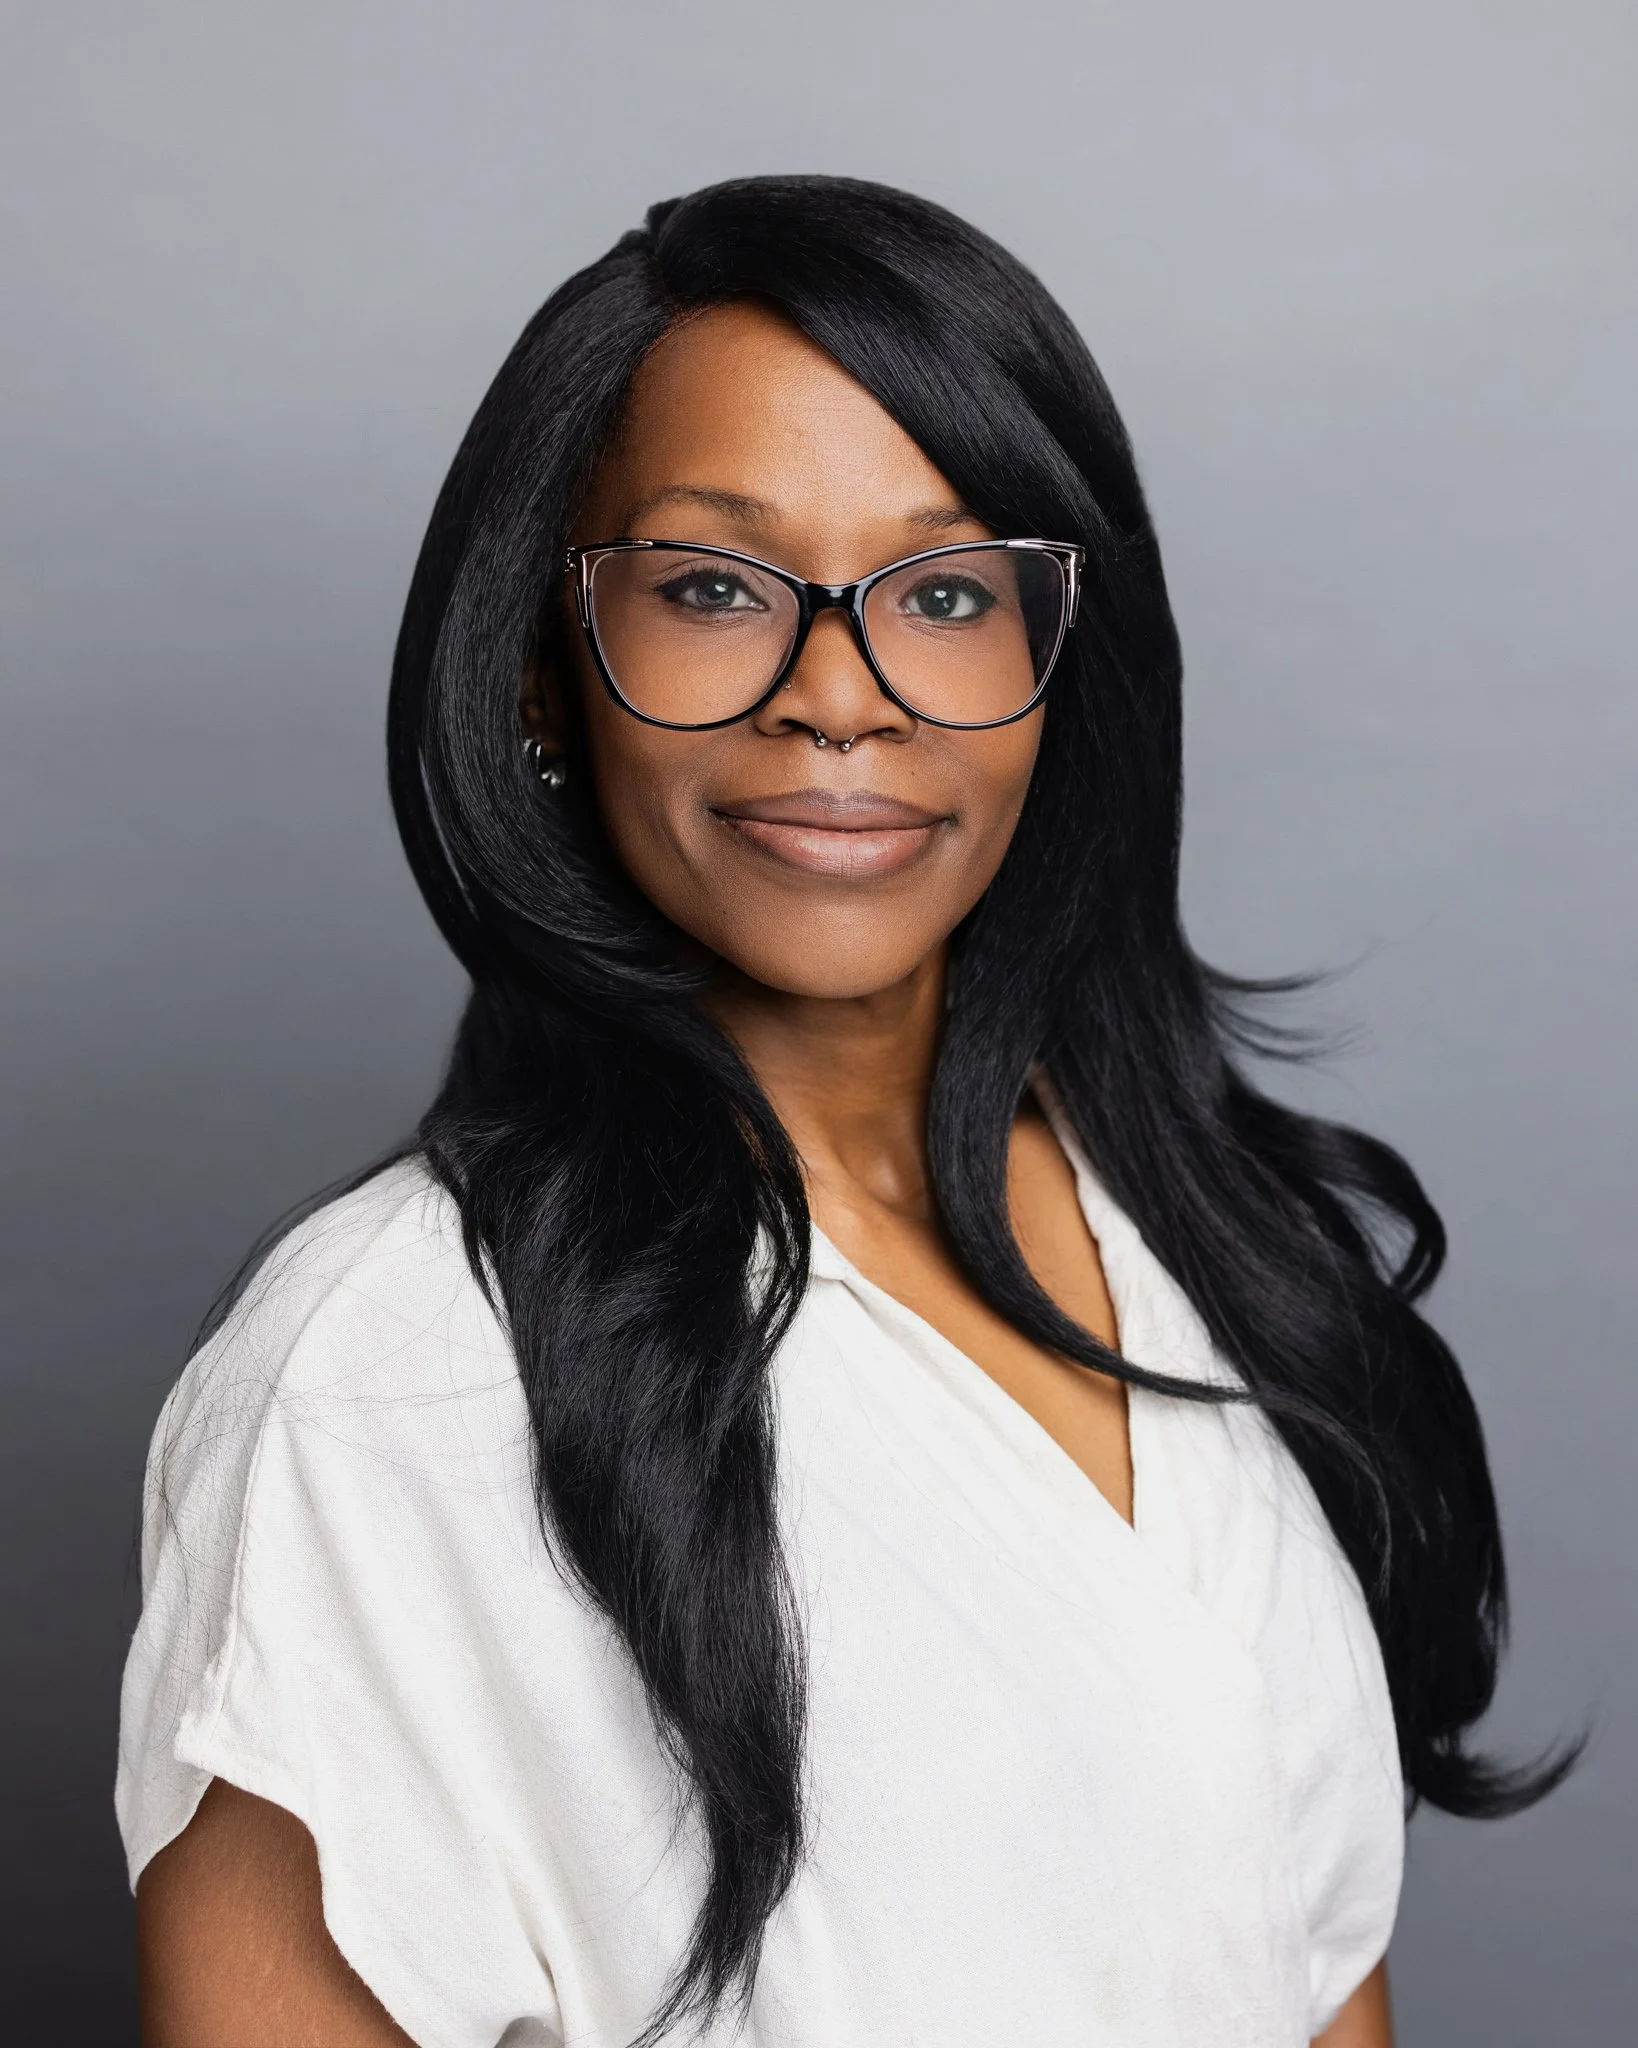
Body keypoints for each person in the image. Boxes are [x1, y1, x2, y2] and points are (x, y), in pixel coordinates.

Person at [119, 176, 1565, 2048]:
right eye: (716, 587)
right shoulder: (385, 1373)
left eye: (945, 592)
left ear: (1062, 675)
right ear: (552, 667)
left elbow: (1297, 1972)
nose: (837, 699)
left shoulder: (1202, 1234)